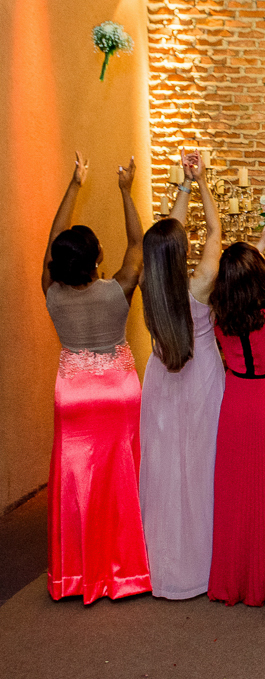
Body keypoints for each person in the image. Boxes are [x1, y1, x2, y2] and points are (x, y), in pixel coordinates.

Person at [42, 152, 151, 603]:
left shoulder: (51, 293)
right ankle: (125, 570)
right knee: (121, 479)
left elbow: (51, 246)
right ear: (97, 257)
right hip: (118, 391)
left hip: (74, 395)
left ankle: (75, 575)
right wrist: (126, 191)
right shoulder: (116, 290)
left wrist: (73, 186)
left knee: (76, 480)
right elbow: (138, 246)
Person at [139, 153, 225, 599]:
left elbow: (164, 243)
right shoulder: (202, 283)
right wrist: (203, 183)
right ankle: (205, 563)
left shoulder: (147, 285)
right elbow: (215, 233)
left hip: (161, 383)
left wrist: (183, 188)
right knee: (202, 467)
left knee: (165, 469)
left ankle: (163, 564)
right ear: (182, 253)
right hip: (203, 382)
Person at [207, 217, 265, 607]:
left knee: (241, 497)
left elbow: (240, 281)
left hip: (238, 403)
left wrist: (255, 244)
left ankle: (240, 578)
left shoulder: (218, 312)